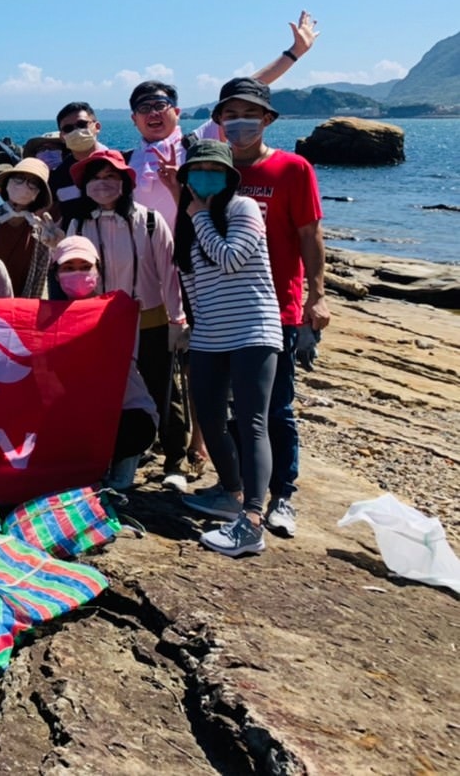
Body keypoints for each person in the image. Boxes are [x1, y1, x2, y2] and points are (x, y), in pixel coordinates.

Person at [215, 76, 329, 539]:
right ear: (219, 122)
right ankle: (240, 490)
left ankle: (282, 495)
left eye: (249, 115)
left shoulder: (293, 169)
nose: (239, 124)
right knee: (232, 405)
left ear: (267, 119)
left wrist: (317, 296)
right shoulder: (213, 170)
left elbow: (309, 235)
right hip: (222, 307)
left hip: (275, 308)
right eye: (230, 115)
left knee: (273, 407)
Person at [174, 141, 284, 558]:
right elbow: (191, 283)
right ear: (186, 177)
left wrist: (201, 217)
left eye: (213, 169)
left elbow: (231, 259)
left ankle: (253, 521)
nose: (205, 176)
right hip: (210, 335)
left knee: (252, 421)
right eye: (196, 169)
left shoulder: (243, 209)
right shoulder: (187, 221)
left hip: (254, 329)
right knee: (209, 417)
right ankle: (230, 492)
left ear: (228, 176)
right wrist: (192, 329)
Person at [125, 11, 321, 233]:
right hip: (145, 262)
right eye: (144, 108)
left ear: (177, 112)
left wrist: (294, 53)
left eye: (161, 105)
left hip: (193, 259)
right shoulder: (125, 161)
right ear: (134, 119)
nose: (153, 113)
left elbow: (244, 92)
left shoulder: (195, 145)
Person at [64, 149, 189, 483]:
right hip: (101, 320)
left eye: (111, 177)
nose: (103, 185)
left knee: (163, 388)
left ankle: (176, 459)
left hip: (148, 316)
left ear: (125, 182)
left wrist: (178, 320)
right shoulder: (78, 222)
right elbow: (73, 272)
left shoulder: (149, 220)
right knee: (107, 388)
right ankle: (117, 451)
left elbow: (169, 272)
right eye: (96, 179)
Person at [51, 236, 160, 490]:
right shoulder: (48, 317)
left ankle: (122, 461)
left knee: (128, 431)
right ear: (56, 274)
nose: (77, 274)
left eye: (84, 267)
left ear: (98, 271)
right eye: (68, 268)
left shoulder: (118, 310)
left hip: (126, 414)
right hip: (78, 413)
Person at [0, 157, 60, 298]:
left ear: (38, 193)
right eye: (19, 178)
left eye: (32, 183)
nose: (24, 185)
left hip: (18, 304)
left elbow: (39, 277)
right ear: (7, 183)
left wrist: (57, 247)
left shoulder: (41, 231)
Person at [48, 103, 105, 224]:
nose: (76, 131)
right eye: (68, 129)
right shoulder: (57, 176)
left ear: (97, 126)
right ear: (62, 137)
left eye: (82, 125)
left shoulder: (122, 164)